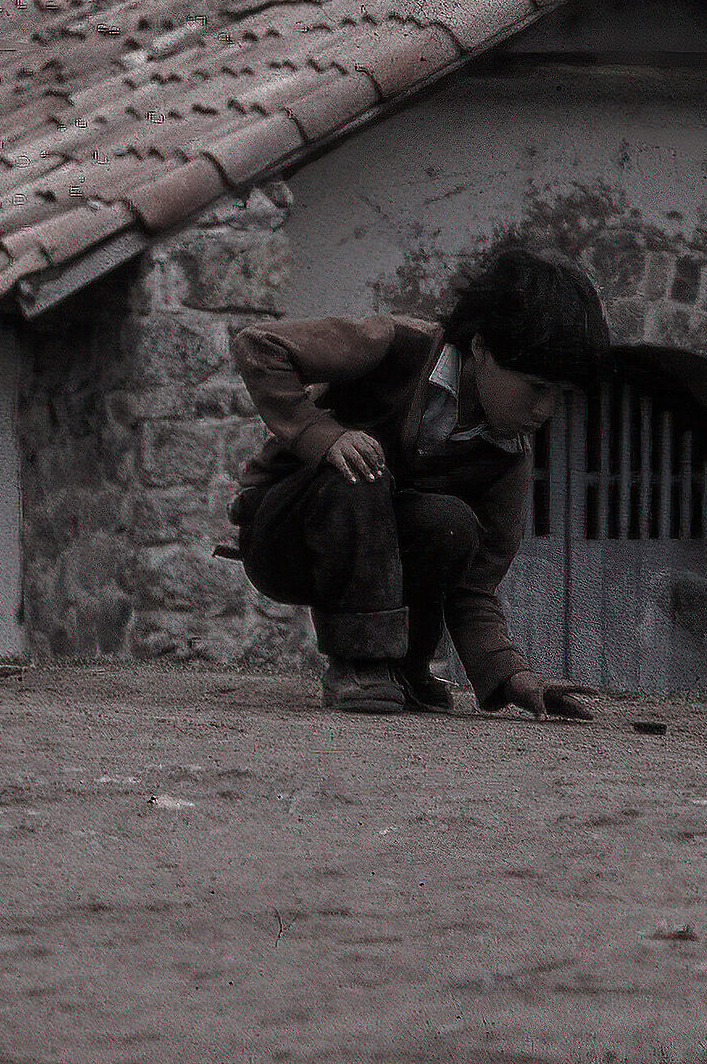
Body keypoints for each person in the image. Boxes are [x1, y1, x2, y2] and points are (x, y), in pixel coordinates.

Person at [227, 244, 609, 717]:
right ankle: (361, 666)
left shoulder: (505, 453)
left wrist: (511, 675)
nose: (543, 411)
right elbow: (260, 345)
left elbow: (473, 584)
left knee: (449, 522)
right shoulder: (394, 344)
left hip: (370, 549)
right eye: (536, 387)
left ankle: (405, 669)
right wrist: (322, 435)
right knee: (362, 468)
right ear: (481, 346)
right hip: (283, 536)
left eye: (560, 396)